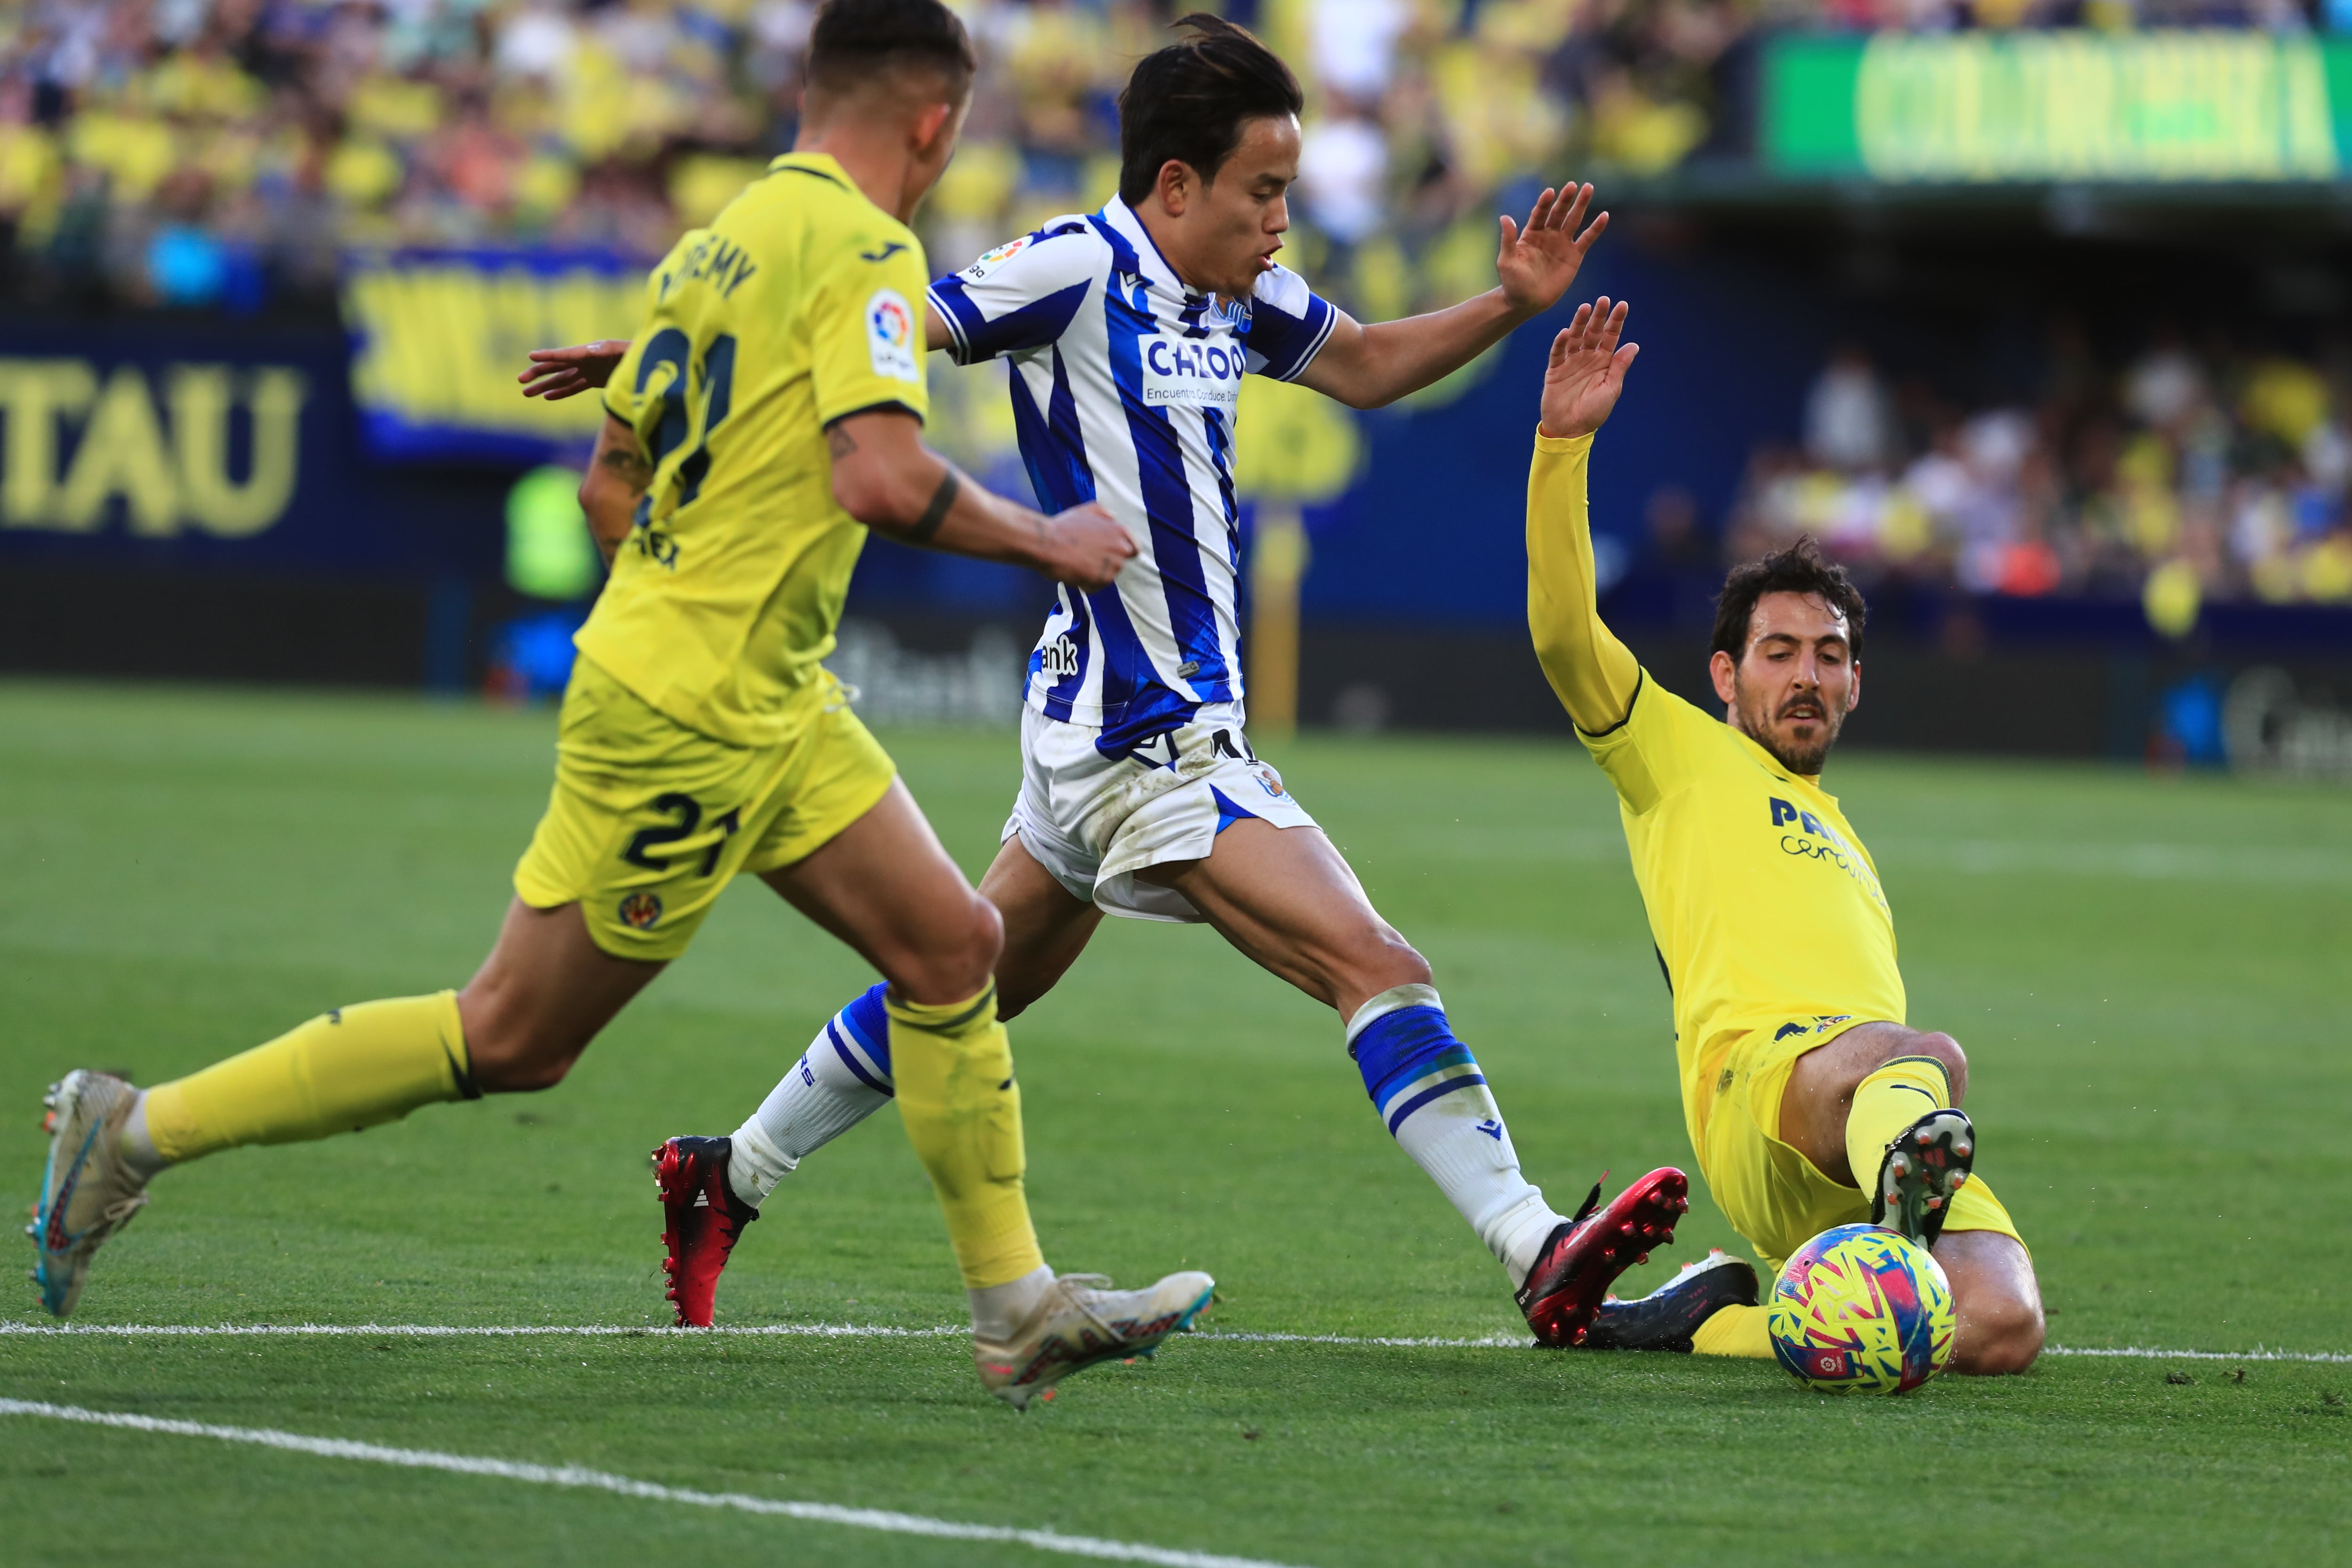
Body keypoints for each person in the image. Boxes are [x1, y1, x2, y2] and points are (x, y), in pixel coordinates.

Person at [32, 0, 1213, 1411]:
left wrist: (686, 583)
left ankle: (1018, 1306)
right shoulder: (862, 247)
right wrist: (1050, 538)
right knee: (516, 1034)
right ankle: (131, 1127)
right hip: (692, 716)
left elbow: (610, 480)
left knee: (953, 945)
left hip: (761, 694)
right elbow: (884, 481)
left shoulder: (716, 243)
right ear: (932, 120)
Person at [524, 14, 1689, 1345]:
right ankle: (1538, 1247)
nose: (1280, 221)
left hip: (1088, 715)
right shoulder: (1078, 264)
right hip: (1149, 732)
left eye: (1289, 194)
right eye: (1263, 192)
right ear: (1176, 184)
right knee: (1375, 962)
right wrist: (667, 357)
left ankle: (725, 1173)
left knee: (966, 975)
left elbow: (1364, 366)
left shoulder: (1239, 290)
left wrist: (1510, 306)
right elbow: (899, 337)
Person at [1517, 297, 2046, 1369]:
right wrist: (1562, 444)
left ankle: (1703, 1319)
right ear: (1724, 674)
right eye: (1778, 650)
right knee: (1927, 1056)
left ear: (1855, 682)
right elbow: (1565, 631)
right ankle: (1903, 1176)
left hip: (1855, 1109)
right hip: (1759, 1087)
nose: (1806, 672)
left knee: (1997, 1324)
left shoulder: (1843, 834)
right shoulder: (1674, 753)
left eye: (1829, 653)